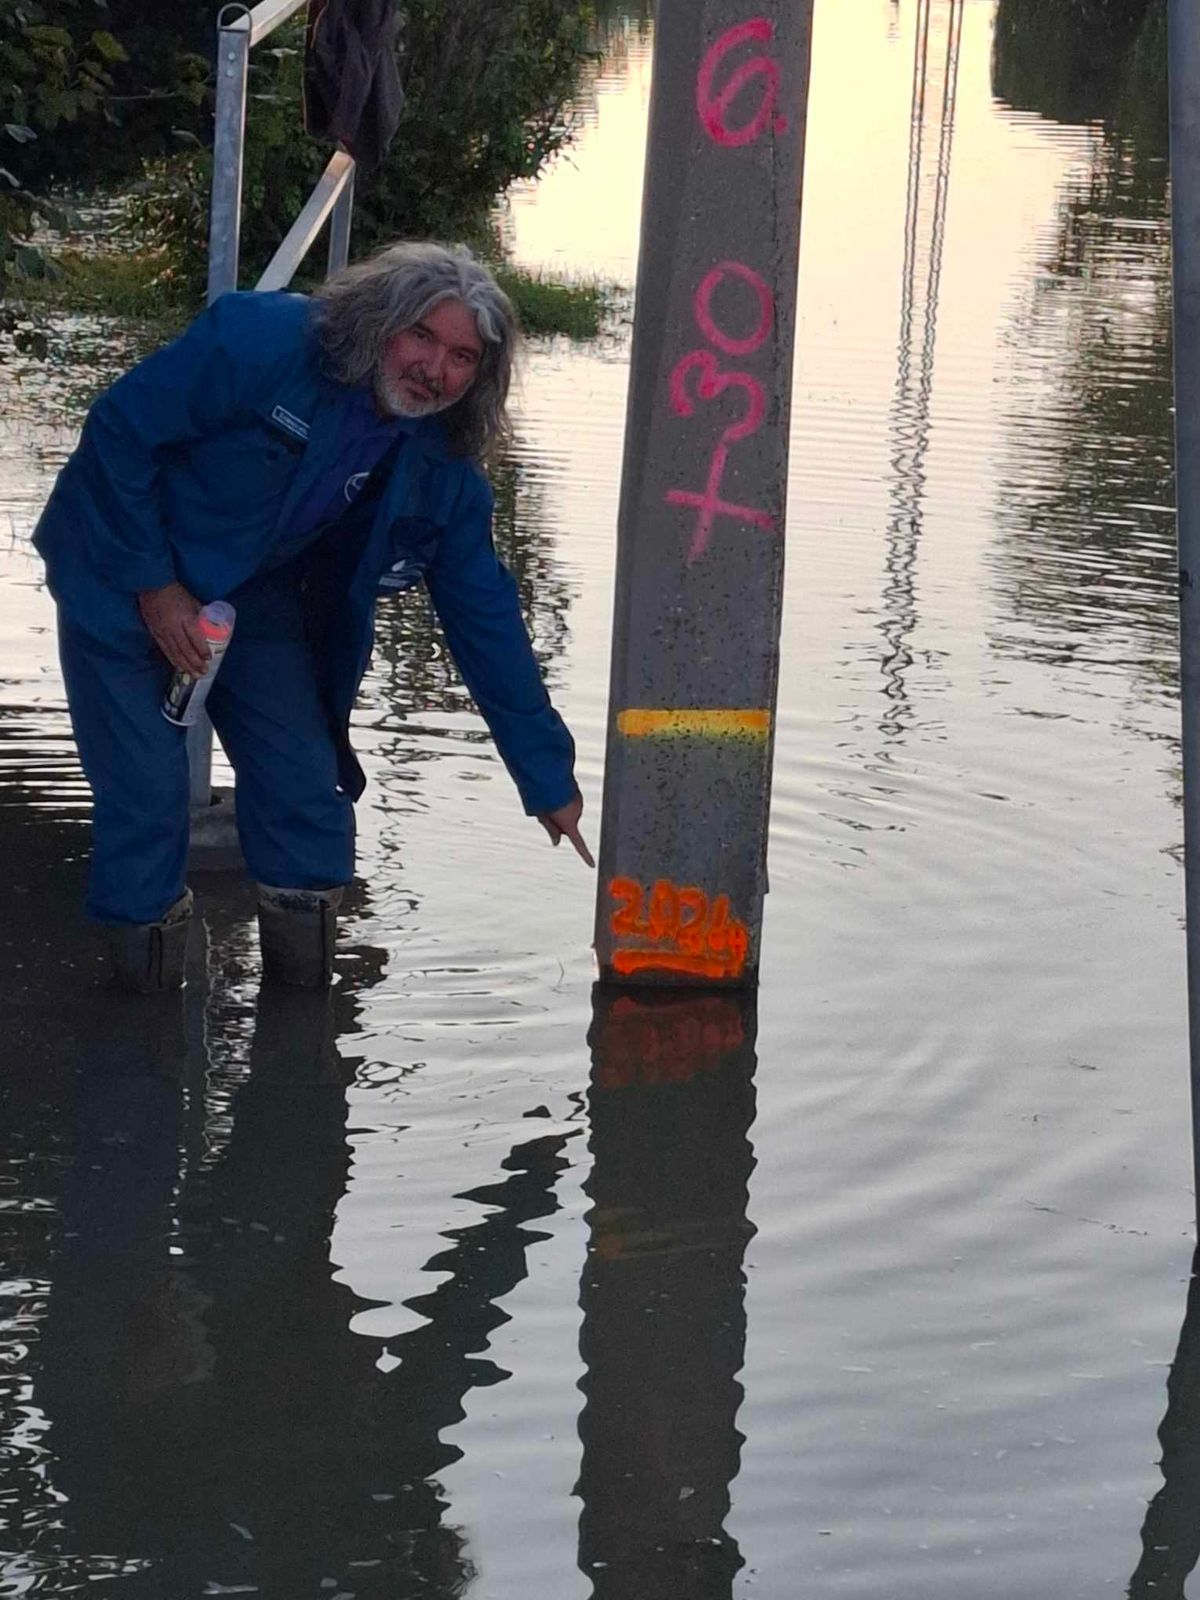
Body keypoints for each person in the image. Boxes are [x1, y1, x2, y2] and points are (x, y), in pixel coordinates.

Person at [33, 241, 593, 993]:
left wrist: (546, 775)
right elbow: (119, 434)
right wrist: (154, 586)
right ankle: (142, 1039)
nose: (435, 369)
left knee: (306, 787)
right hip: (119, 562)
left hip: (252, 592)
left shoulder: (444, 466)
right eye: (422, 336)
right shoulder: (259, 340)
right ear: (379, 322)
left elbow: (484, 615)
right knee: (146, 801)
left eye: (463, 357)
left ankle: (302, 1033)